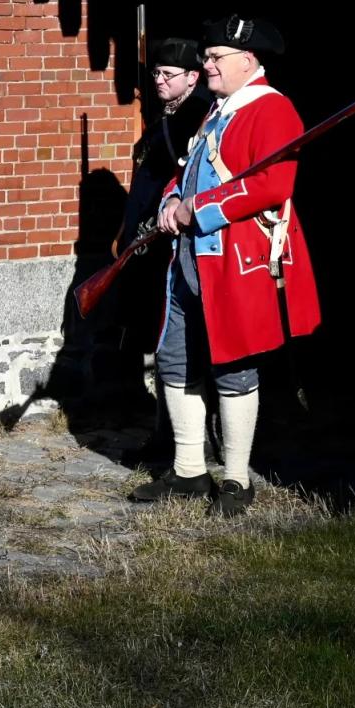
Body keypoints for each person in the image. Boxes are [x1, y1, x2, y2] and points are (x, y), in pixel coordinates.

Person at [130, 16, 321, 517]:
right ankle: (190, 470)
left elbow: (272, 187)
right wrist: (174, 202)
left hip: (237, 259)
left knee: (234, 368)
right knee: (175, 359)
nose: (207, 65)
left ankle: (236, 480)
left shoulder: (272, 110)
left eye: (216, 58)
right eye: (208, 57)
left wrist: (197, 208)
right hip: (190, 257)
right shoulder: (217, 111)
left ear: (249, 61)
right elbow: (189, 170)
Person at [110, 39, 213, 465]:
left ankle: (186, 441)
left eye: (168, 74)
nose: (158, 80)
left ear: (193, 77)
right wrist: (124, 229)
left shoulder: (198, 117)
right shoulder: (166, 117)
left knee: (179, 344)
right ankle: (163, 433)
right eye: (156, 74)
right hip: (144, 244)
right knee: (157, 340)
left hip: (171, 245)